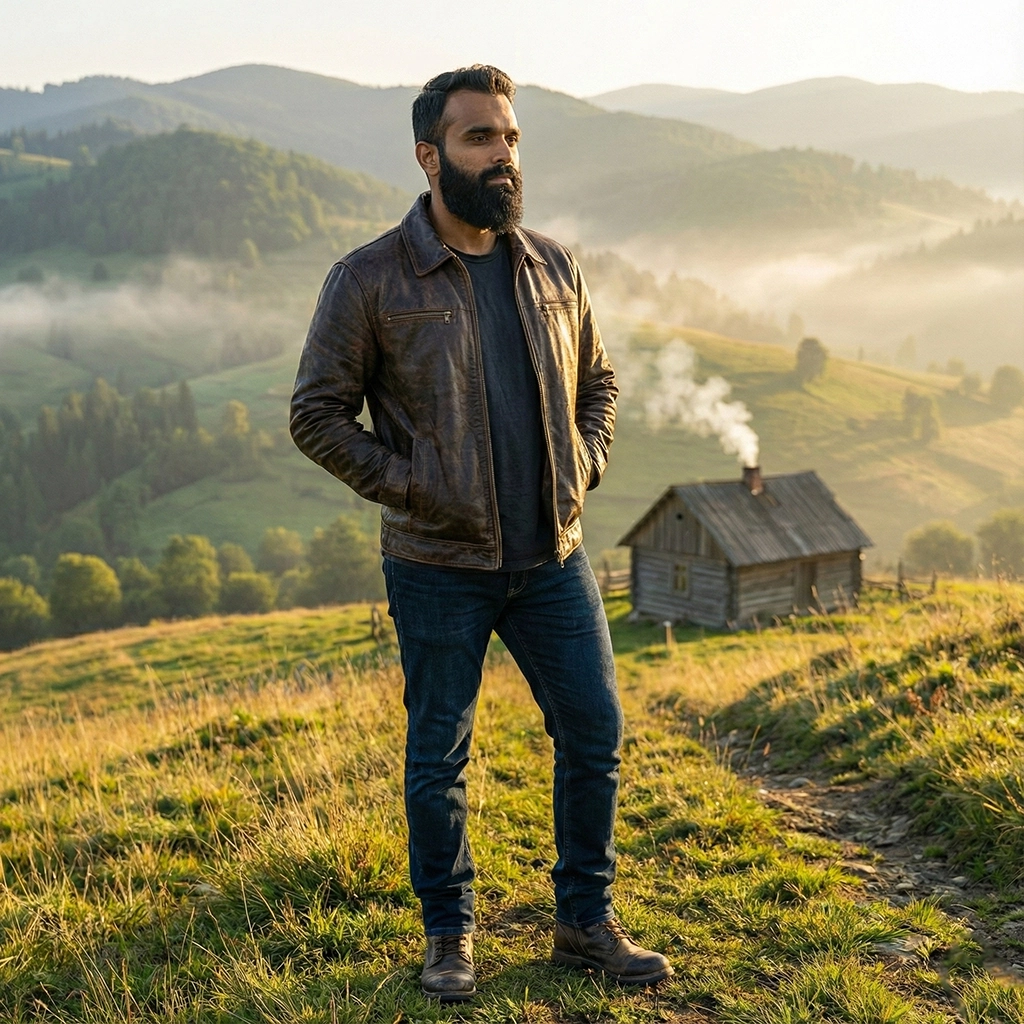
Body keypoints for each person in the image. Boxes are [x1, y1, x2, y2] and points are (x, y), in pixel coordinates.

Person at [290, 64, 672, 1002]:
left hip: (554, 559)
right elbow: (317, 415)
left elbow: (601, 383)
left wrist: (583, 465)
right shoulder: (371, 278)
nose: (503, 155)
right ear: (430, 156)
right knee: (439, 757)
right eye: (479, 139)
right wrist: (413, 487)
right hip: (438, 566)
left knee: (595, 736)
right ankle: (449, 934)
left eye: (510, 138)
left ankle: (585, 921)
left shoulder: (553, 264)